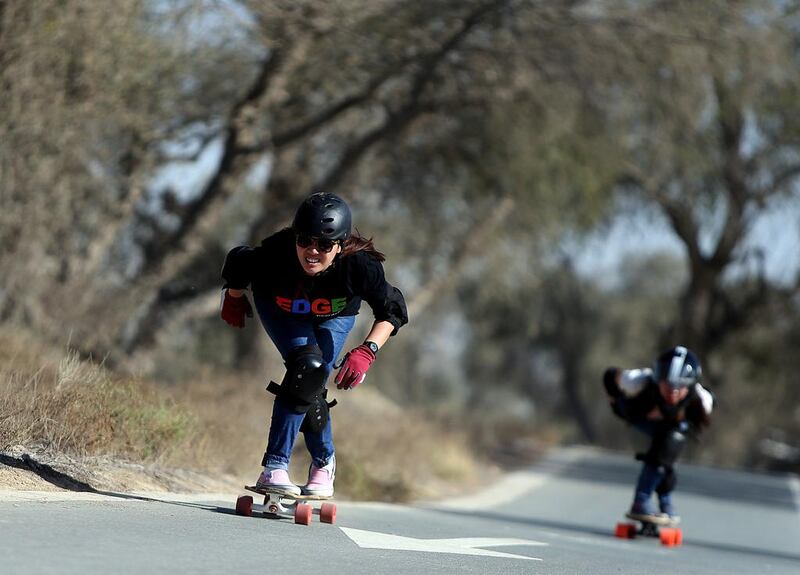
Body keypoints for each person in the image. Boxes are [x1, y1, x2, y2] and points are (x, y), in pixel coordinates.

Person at [219, 191, 408, 497]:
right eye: (305, 240)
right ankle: (275, 468)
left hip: (335, 314)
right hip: (280, 308)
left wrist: (367, 350)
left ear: (340, 245)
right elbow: (238, 262)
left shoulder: (359, 266)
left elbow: (393, 310)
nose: (312, 251)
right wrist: (234, 297)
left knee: (313, 382)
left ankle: (323, 463)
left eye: (324, 244)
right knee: (307, 369)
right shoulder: (275, 254)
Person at [603, 346, 714, 524]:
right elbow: (609, 375)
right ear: (658, 379)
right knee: (668, 442)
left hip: (668, 436)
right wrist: (616, 401)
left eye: (680, 387)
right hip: (639, 427)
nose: (673, 392)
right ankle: (642, 499)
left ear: (690, 385)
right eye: (668, 385)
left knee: (670, 446)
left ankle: (665, 500)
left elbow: (701, 420)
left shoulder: (701, 400)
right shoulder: (638, 381)